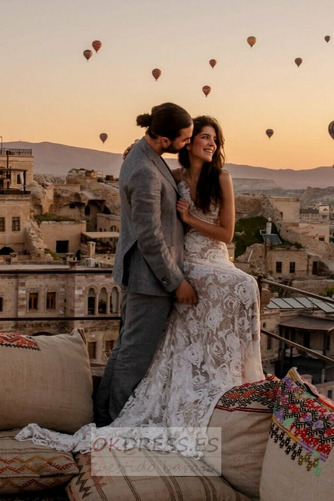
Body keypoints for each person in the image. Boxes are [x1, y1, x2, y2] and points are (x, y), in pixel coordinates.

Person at [16, 115, 264, 458]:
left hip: (208, 259)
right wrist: (138, 151)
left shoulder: (219, 176)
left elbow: (227, 233)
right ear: (184, 141)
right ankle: (112, 418)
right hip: (174, 268)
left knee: (243, 285)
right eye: (202, 137)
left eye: (214, 140)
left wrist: (188, 217)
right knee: (133, 350)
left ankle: (228, 375)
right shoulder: (170, 173)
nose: (210, 144)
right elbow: (149, 222)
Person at [95, 102, 198, 427]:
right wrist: (176, 281)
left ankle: (101, 418)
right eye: (185, 138)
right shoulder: (143, 168)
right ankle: (114, 426)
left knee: (125, 349)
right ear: (165, 139)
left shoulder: (145, 156)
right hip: (148, 280)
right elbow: (150, 236)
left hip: (141, 276)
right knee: (134, 358)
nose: (188, 142)